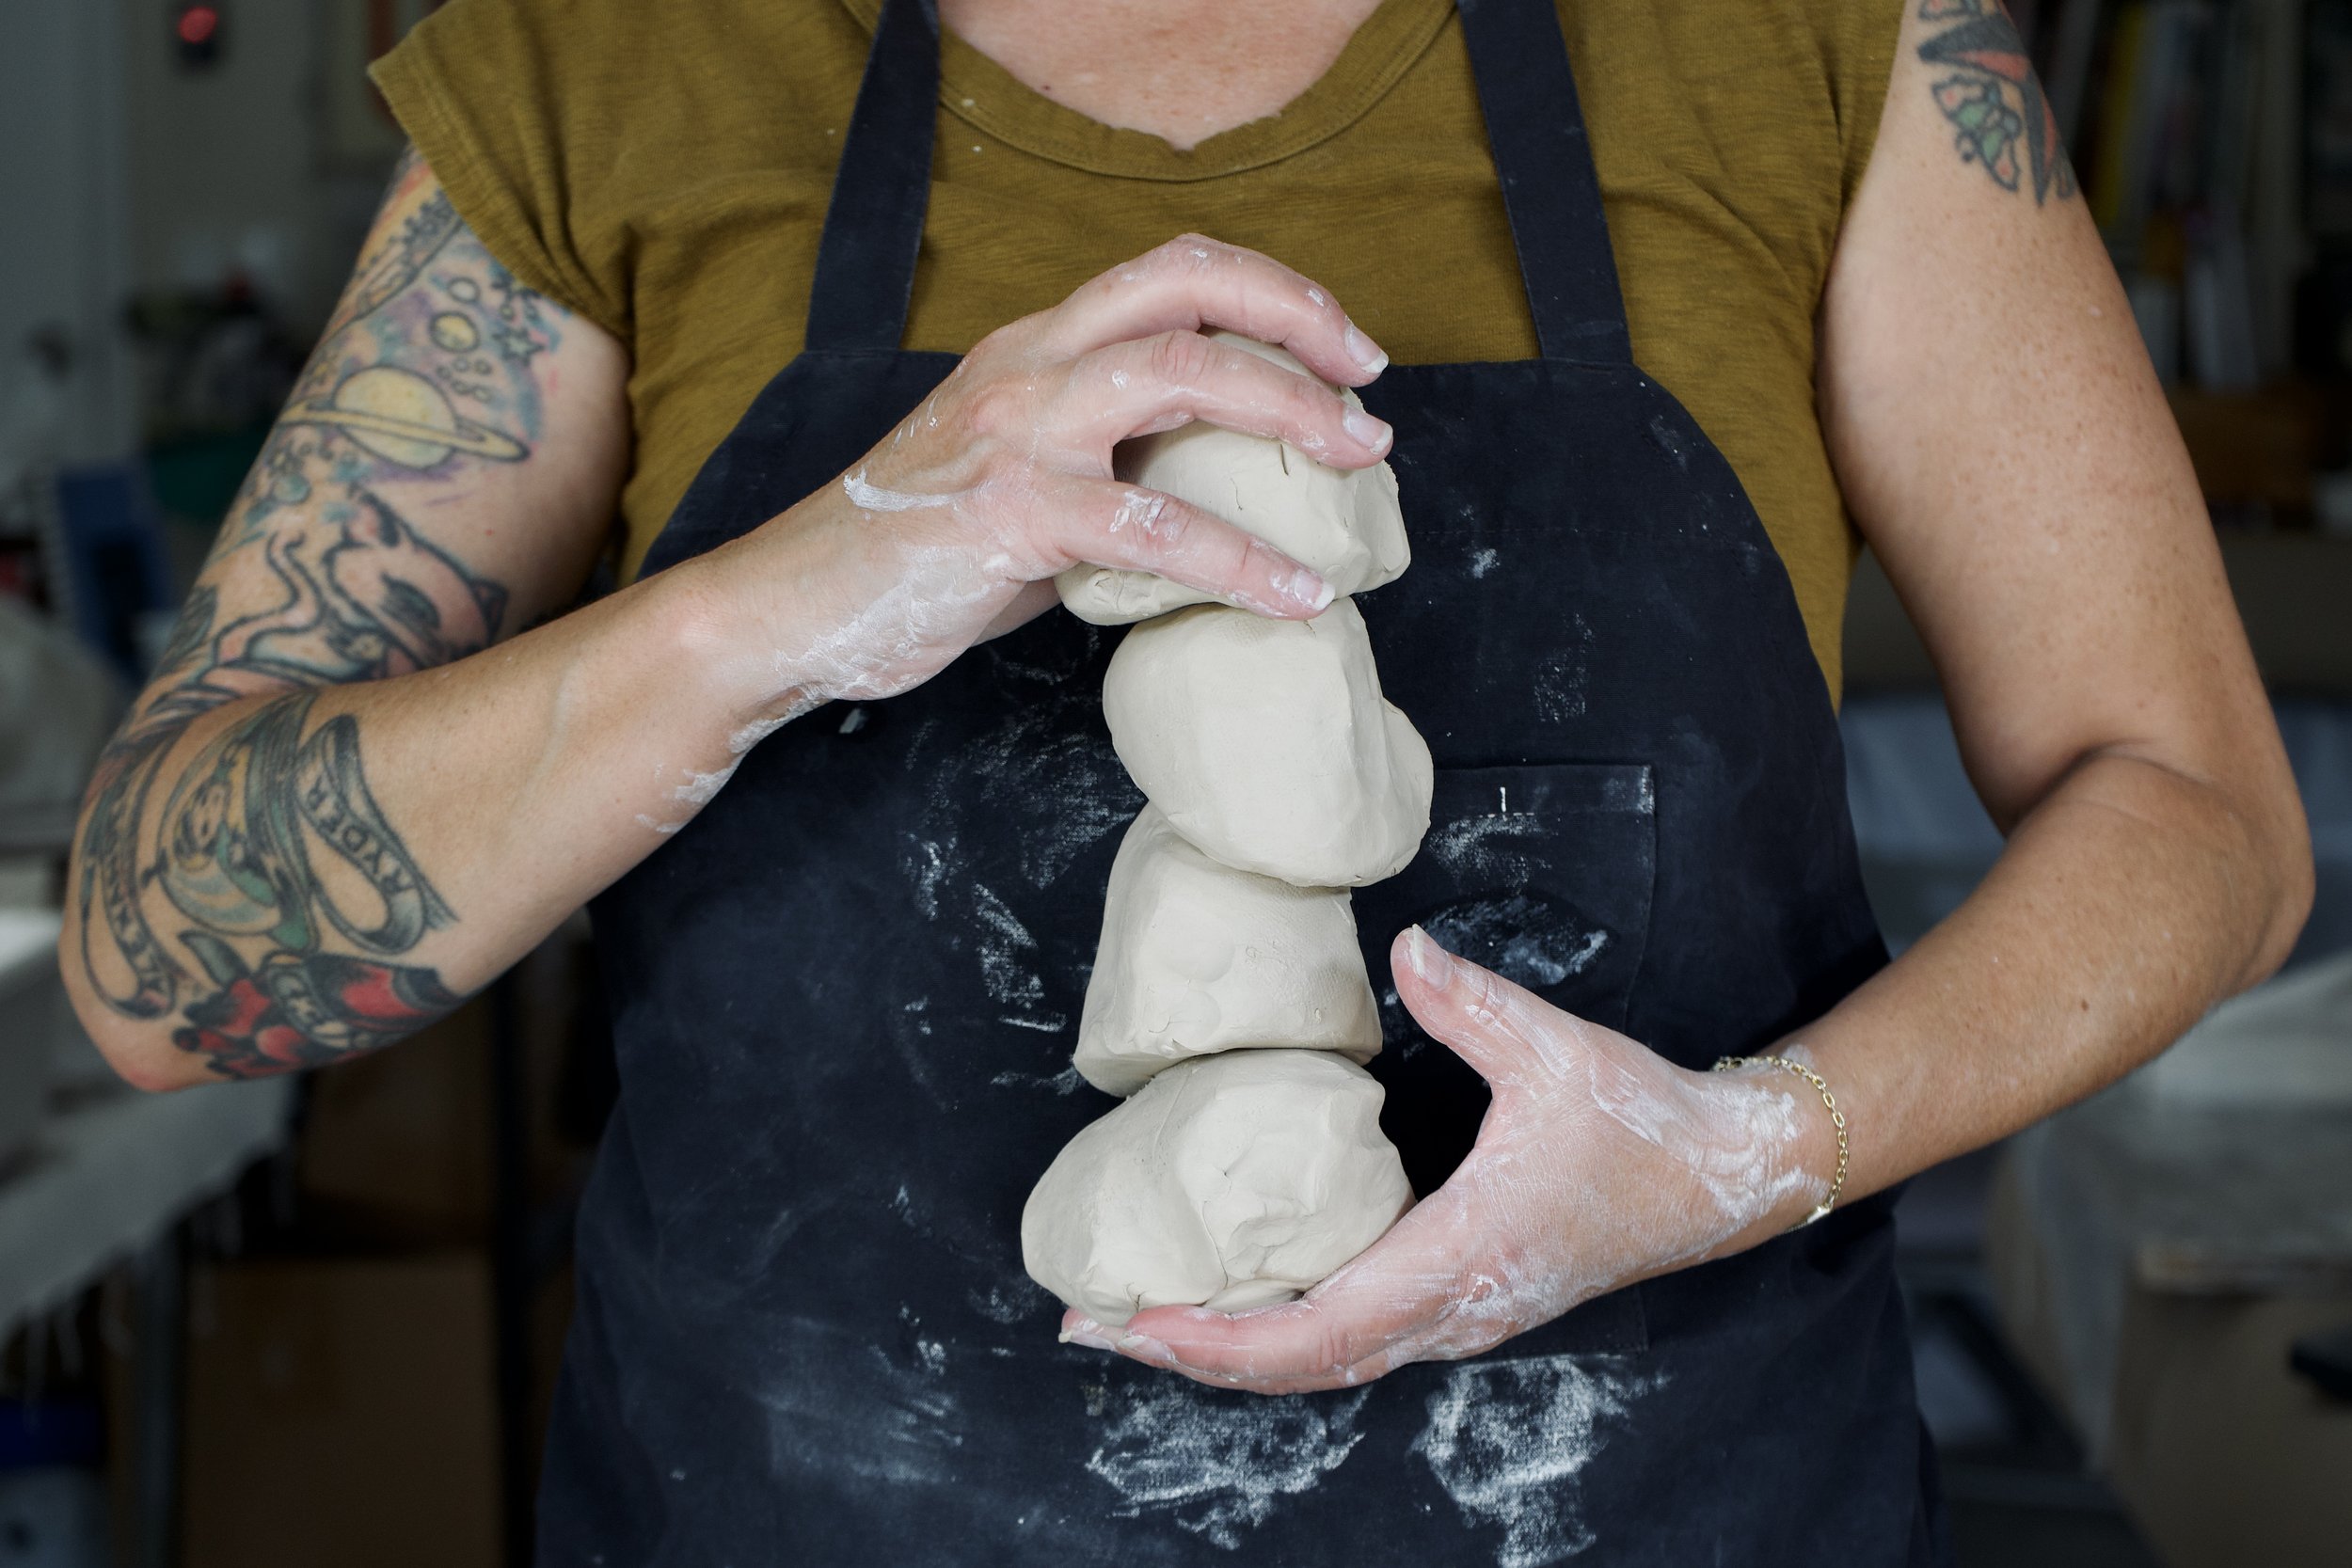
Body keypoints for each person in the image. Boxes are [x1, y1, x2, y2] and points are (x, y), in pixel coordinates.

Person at [63, 0, 2311, 1559]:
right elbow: (159, 958)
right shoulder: (610, 61)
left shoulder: (1807, 43)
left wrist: (1742, 1154)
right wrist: (786, 596)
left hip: (1670, 1505)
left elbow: (2195, 808)